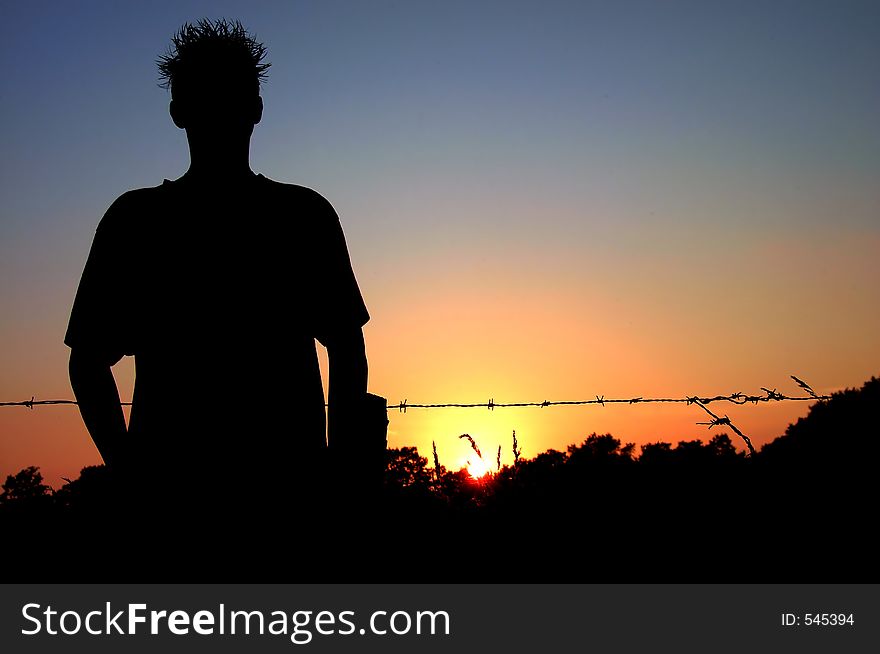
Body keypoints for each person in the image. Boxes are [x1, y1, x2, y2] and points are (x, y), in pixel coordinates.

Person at [65, 19, 373, 524]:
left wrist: (129, 473)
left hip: (185, 493)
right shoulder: (301, 215)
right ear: (257, 109)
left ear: (175, 112)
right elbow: (346, 347)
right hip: (282, 490)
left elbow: (87, 362)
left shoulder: (137, 221)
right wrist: (337, 474)